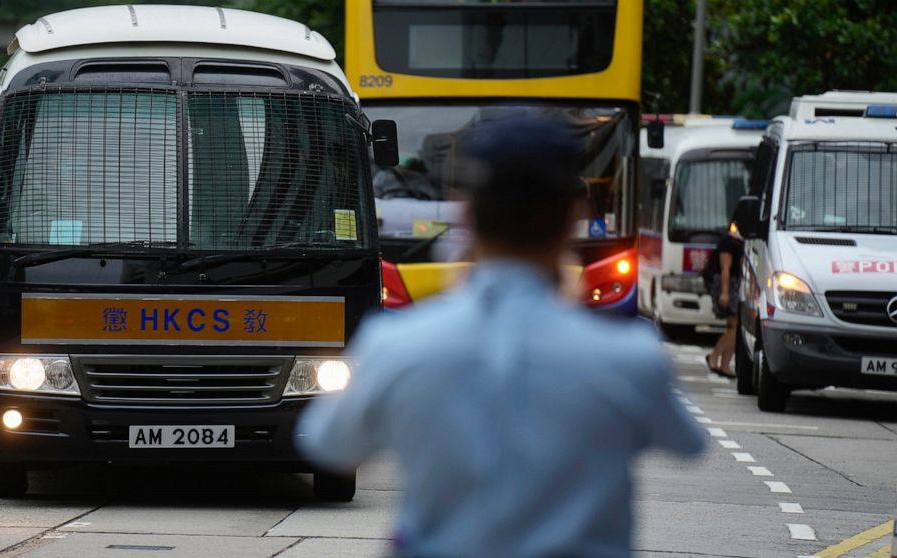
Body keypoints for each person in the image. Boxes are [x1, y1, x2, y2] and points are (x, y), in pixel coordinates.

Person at [295, 116, 706, 558]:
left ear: (466, 214)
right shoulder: (630, 357)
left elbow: (327, 443)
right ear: (574, 217)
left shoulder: (396, 344)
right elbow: (688, 444)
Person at [706, 223, 744, 378]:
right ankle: (714, 355)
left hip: (736, 286)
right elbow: (725, 269)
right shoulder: (727, 242)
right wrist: (725, 293)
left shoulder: (740, 242)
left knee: (733, 328)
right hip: (726, 286)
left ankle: (725, 364)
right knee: (735, 327)